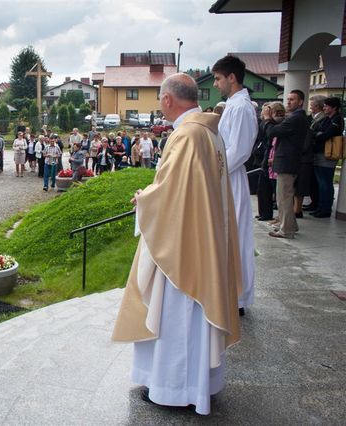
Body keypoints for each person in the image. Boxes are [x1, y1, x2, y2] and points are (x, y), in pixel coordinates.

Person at [112, 73, 242, 415]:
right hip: (204, 238)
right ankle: (200, 385)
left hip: (184, 245)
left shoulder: (186, 136)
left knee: (177, 316)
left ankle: (174, 389)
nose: (159, 105)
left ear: (168, 100)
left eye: (159, 99)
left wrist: (145, 199)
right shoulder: (209, 132)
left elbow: (171, 193)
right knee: (193, 318)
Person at [212, 55, 259, 314]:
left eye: (218, 78)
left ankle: (237, 297)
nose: (216, 84)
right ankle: (228, 292)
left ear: (232, 77)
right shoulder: (233, 104)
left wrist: (212, 170)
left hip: (230, 177)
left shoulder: (241, 107)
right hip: (225, 176)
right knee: (226, 236)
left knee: (235, 236)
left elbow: (239, 150)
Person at [267, 90, 309, 238]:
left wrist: (269, 120)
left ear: (300, 102)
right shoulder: (296, 117)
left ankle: (287, 230)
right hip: (288, 160)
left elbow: (274, 131)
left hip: (287, 161)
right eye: (288, 99)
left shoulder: (296, 118)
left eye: (292, 99)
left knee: (284, 197)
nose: (288, 102)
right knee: (284, 196)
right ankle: (290, 225)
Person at [312, 97, 344, 218]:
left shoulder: (337, 120)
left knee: (326, 183)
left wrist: (318, 135)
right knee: (321, 183)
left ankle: (325, 209)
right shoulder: (327, 119)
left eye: (326, 106)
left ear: (334, 107)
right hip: (320, 153)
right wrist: (318, 134)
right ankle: (320, 206)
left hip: (328, 155)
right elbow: (318, 132)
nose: (324, 108)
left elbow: (325, 134)